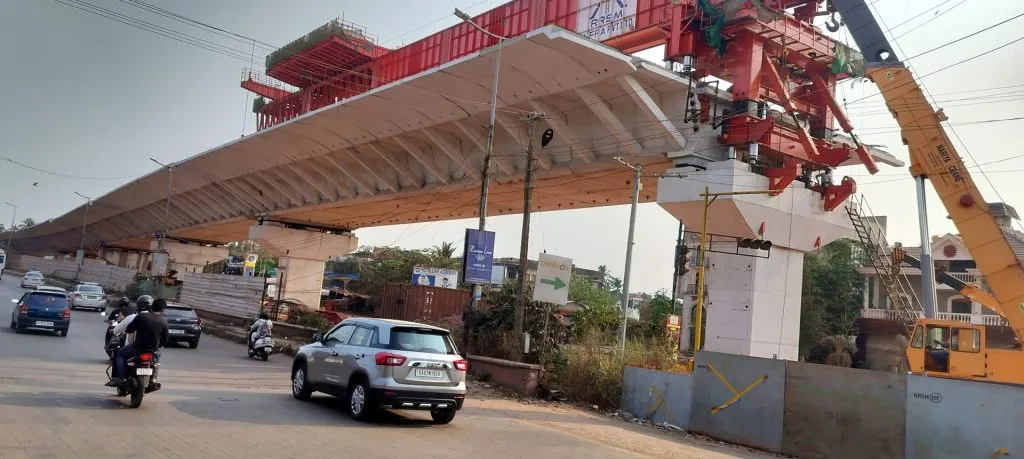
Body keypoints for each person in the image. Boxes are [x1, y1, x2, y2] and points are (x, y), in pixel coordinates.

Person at [107, 296, 169, 386]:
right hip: (153, 349)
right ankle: (154, 377)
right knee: (157, 355)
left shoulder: (141, 316)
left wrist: (127, 332)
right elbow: (165, 338)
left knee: (120, 353)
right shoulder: (163, 321)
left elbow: (129, 329)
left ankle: (122, 377)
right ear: (162, 310)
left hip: (137, 347)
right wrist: (158, 347)